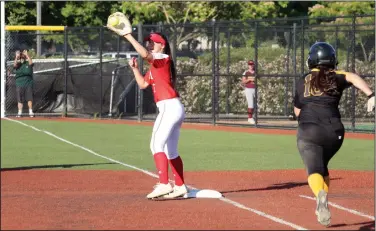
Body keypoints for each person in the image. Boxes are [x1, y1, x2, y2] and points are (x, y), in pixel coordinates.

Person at [293, 42, 374, 226]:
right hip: (335, 131)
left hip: (310, 130)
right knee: (323, 166)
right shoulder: (336, 76)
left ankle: (320, 195)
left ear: (311, 60)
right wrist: (371, 95)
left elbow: (297, 111)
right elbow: (353, 77)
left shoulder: (302, 80)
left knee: (314, 168)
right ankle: (323, 194)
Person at [107, 14, 188, 199]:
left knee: (155, 144)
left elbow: (145, 54)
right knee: (171, 151)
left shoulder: (163, 58)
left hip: (169, 107)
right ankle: (181, 186)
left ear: (162, 45)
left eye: (153, 42)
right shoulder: (156, 66)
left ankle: (164, 184)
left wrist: (128, 36)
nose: (150, 44)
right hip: (174, 108)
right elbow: (143, 84)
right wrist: (135, 69)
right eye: (148, 42)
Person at [13, 49, 34, 117]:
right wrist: (16, 57)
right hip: (19, 83)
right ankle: (19, 113)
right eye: (21, 56)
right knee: (20, 99)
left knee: (29, 98)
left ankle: (30, 112)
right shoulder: (18, 64)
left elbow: (31, 62)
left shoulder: (27, 63)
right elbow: (14, 65)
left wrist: (27, 55)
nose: (22, 57)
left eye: (23, 56)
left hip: (28, 83)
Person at [241, 60, 256, 124]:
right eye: (250, 64)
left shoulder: (256, 72)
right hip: (248, 89)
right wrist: (249, 79)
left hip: (255, 89)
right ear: (248, 65)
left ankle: (251, 117)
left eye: (252, 64)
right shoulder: (246, 72)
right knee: (251, 104)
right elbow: (243, 81)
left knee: (255, 104)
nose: (251, 66)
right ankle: (250, 118)